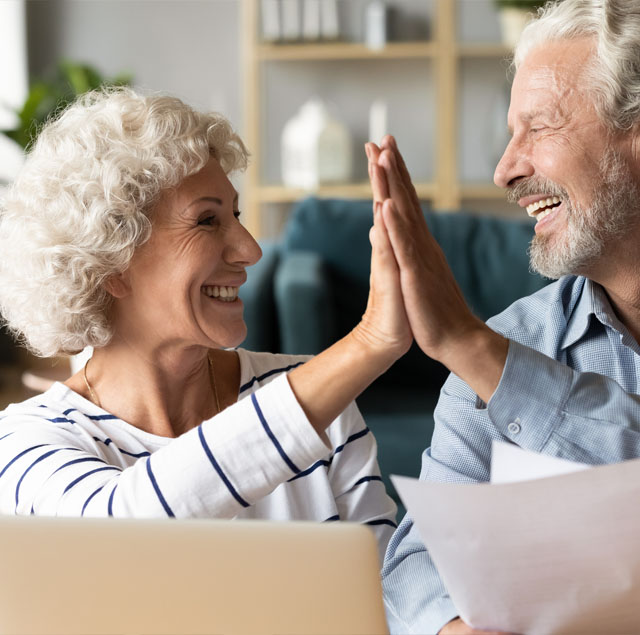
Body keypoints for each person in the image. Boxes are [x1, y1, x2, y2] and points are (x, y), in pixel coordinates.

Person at [0, 87, 409, 561]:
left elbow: (385, 594)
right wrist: (369, 342)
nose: (250, 250)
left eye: (235, 214)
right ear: (110, 262)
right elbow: (114, 537)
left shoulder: (322, 404)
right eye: (208, 221)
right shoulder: (27, 440)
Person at [362, 0, 640, 632]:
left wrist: (468, 344)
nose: (505, 169)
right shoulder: (512, 343)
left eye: (538, 128)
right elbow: (416, 563)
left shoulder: (486, 355)